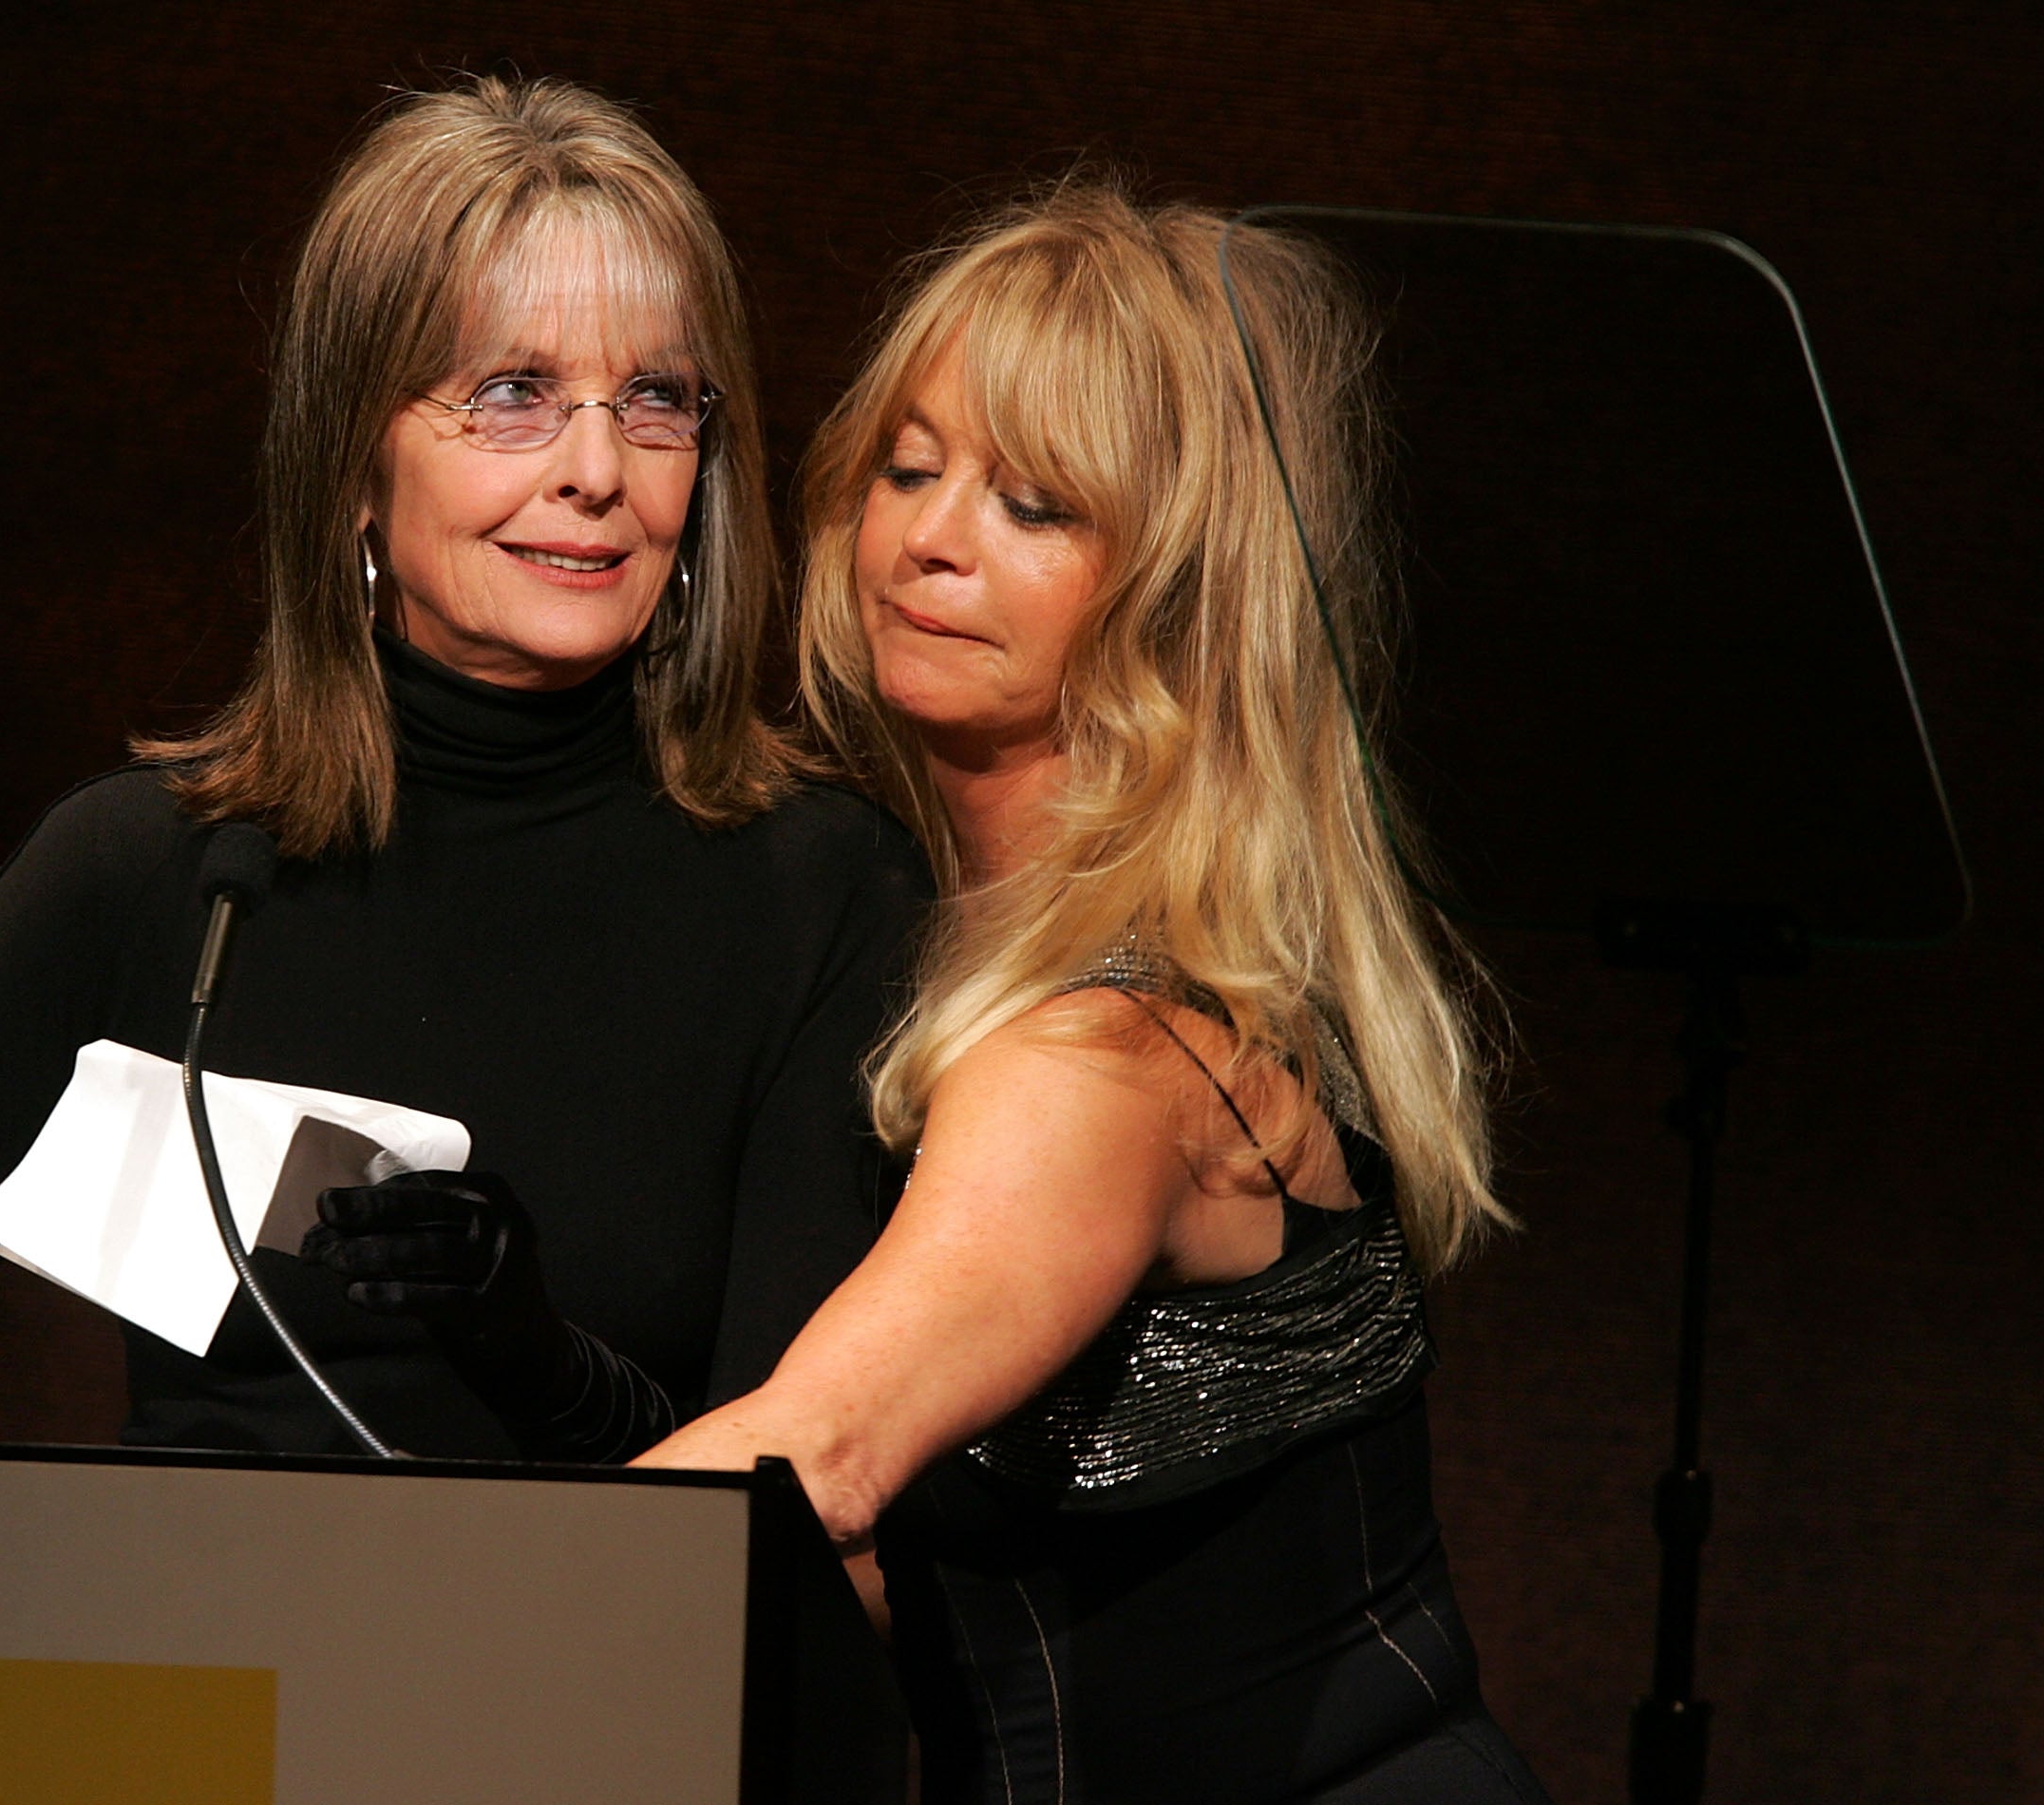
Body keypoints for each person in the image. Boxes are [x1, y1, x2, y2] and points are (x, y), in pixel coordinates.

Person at [0, 77, 931, 1462]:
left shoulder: (822, 891)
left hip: (591, 1663)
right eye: (513, 395)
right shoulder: (150, 877)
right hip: (197, 1661)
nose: (600, 468)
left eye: (655, 399)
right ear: (352, 459)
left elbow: (794, 1504)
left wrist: (538, 1363)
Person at [634, 184, 1552, 1802]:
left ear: (1179, 592)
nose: (928, 537)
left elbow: (814, 1470)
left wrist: (375, 1641)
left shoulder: (1098, 1053)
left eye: (1034, 505)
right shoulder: (1085, 963)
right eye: (910, 469)